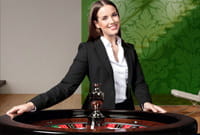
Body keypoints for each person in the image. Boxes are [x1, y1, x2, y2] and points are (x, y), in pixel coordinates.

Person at [6, 0, 166, 119]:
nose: (112, 21)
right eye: (105, 18)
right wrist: (31, 105)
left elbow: (138, 83)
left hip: (126, 112)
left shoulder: (129, 49)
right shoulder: (88, 49)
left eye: (114, 15)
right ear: (97, 24)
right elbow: (67, 86)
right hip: (98, 114)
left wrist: (146, 103)